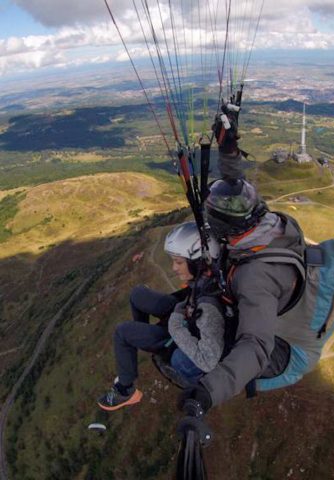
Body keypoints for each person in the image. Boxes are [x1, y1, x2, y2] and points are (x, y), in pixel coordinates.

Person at [178, 117, 305, 413]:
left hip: (264, 335)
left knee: (181, 359)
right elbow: (235, 185)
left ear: (223, 229)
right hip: (255, 287)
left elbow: (257, 345)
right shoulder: (267, 223)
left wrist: (207, 392)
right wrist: (228, 150)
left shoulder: (254, 278)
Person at [97, 221, 225, 411]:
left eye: (179, 262)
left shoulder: (208, 308)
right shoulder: (207, 276)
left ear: (198, 262)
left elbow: (207, 360)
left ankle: (125, 389)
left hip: (185, 335)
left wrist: (175, 324)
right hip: (187, 315)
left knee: (122, 332)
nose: (174, 268)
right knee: (137, 294)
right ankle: (145, 338)